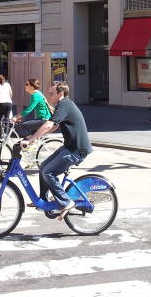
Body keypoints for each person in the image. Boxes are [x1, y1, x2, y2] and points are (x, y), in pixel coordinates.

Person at [22, 81, 92, 220]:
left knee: (48, 172)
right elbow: (54, 126)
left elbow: (49, 124)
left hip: (76, 150)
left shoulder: (65, 105)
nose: (49, 96)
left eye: (51, 94)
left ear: (60, 93)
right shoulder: (63, 105)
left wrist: (31, 140)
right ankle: (43, 200)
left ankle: (66, 202)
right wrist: (33, 137)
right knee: (43, 167)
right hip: (70, 147)